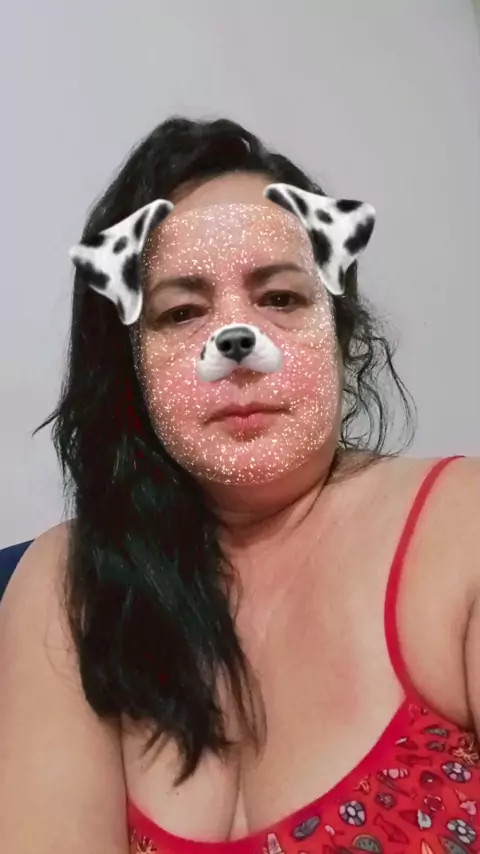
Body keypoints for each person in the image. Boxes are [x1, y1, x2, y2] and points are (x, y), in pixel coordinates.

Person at [0, 117, 478, 854]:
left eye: (280, 298)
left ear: (339, 326)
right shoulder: (70, 586)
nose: (239, 344)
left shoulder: (462, 531)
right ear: (130, 362)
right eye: (182, 312)